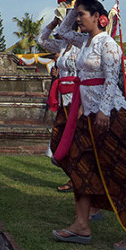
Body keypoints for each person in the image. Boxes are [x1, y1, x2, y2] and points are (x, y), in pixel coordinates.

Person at [50, 0, 126, 250]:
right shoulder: (85, 42)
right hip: (87, 114)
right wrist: (74, 5)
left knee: (118, 168)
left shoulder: (109, 44)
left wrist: (103, 111)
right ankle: (81, 224)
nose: (79, 19)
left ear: (97, 17)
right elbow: (61, 31)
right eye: (78, 15)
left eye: (83, 14)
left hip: (110, 113)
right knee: (79, 163)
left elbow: (110, 79)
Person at [38, 13, 88, 195]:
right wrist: (52, 23)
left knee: (75, 138)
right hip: (62, 96)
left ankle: (77, 178)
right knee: (58, 140)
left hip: (77, 96)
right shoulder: (61, 45)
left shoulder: (82, 45)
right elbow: (41, 40)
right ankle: (75, 176)